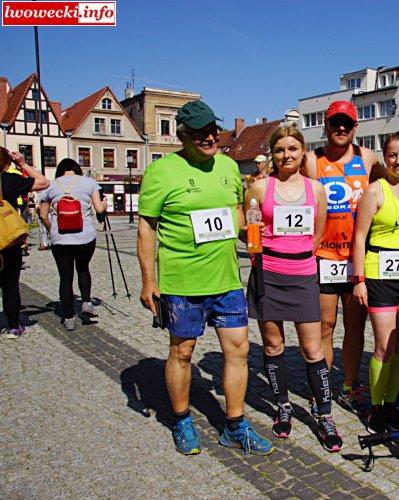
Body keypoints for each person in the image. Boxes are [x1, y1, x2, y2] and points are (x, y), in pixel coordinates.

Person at [137, 100, 273, 456]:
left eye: (213, 129)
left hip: (226, 280)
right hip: (182, 283)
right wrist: (148, 281)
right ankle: (182, 421)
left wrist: (252, 231)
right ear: (183, 135)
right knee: (182, 352)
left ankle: (235, 425)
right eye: (200, 132)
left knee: (238, 350)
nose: (210, 136)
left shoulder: (229, 166)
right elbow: (146, 228)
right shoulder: (162, 171)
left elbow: (240, 218)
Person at [246, 125, 343, 452]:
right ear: (272, 154)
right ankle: (283, 407)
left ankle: (325, 414)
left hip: (302, 275)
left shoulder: (316, 190)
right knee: (273, 347)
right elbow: (250, 227)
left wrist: (298, 255)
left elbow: (317, 235)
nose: (286, 155)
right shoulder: (260, 187)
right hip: (268, 274)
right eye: (280, 150)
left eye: (292, 149)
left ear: (303, 152)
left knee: (313, 350)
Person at [302, 100, 383, 414]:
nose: (340, 128)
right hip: (323, 255)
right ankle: (321, 390)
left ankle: (350, 386)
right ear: (325, 125)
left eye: (346, 124)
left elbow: (396, 177)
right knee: (325, 326)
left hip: (356, 258)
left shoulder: (367, 157)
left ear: (355, 127)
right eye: (335, 123)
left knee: (354, 328)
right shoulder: (313, 160)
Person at [352, 132, 399, 432]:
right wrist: (358, 279)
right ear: (385, 157)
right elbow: (359, 237)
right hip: (380, 274)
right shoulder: (374, 191)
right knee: (383, 344)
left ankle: (394, 402)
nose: (398, 161)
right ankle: (377, 406)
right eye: (392, 155)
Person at [38, 158, 107, 330]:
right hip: (85, 237)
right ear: (77, 169)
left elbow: (43, 215)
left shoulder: (50, 186)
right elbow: (99, 209)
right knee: (83, 269)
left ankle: (69, 318)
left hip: (60, 239)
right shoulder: (89, 183)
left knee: (65, 277)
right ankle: (86, 303)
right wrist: (104, 203)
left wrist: (52, 228)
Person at [0, 147, 49, 339]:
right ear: (5, 163)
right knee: (10, 284)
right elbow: (43, 182)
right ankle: (14, 326)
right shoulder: (8, 180)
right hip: (8, 242)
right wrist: (22, 163)